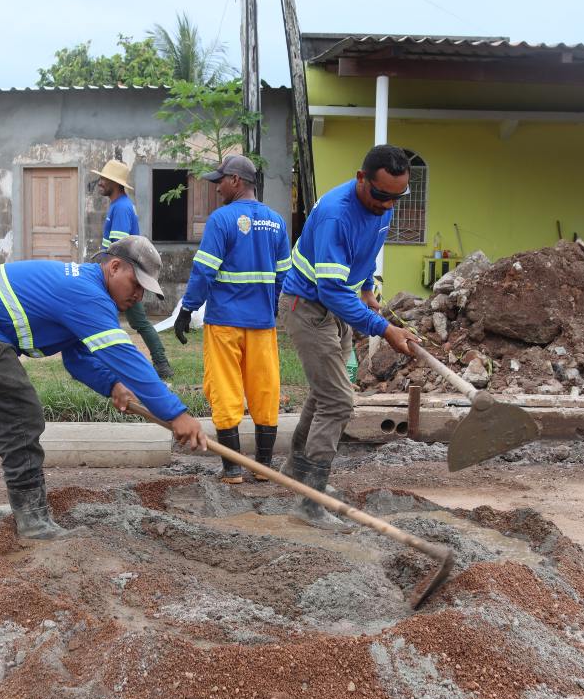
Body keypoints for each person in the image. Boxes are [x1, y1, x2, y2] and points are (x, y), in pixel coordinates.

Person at [0, 235, 207, 539]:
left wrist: (112, 384)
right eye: (137, 285)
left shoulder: (84, 288)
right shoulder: (86, 294)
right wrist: (175, 412)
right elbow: (124, 356)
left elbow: (76, 358)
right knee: (21, 416)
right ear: (115, 267)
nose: (139, 297)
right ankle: (34, 522)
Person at [277, 144, 418, 530]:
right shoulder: (336, 215)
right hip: (307, 308)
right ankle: (310, 502)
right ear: (361, 179)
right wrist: (384, 329)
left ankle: (299, 470)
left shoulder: (379, 208)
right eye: (381, 195)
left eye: (397, 198)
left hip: (333, 310)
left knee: (325, 394)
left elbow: (367, 251)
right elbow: (332, 291)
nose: (388, 205)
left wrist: (369, 288)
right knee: (339, 401)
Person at [173, 155, 290, 484]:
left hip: (225, 322)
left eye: (220, 180)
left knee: (225, 389)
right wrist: (272, 307)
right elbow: (284, 276)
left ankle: (232, 469)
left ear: (236, 181)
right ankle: (264, 467)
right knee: (265, 390)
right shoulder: (276, 222)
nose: (217, 186)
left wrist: (186, 309)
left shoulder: (221, 220)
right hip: (263, 324)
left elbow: (204, 271)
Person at [92, 159, 174, 380]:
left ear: (114, 183)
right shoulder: (118, 206)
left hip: (122, 278)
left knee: (137, 322)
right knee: (127, 321)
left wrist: (103, 273)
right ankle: (158, 364)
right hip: (121, 275)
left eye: (103, 179)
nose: (100, 183)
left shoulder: (121, 209)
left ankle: (161, 364)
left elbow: (117, 252)